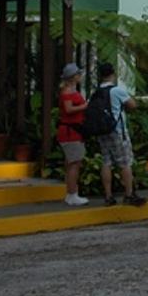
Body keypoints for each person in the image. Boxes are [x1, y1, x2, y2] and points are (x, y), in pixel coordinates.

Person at [93, 62, 145, 207]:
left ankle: (108, 196)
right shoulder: (116, 90)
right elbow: (133, 105)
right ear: (112, 74)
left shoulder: (97, 92)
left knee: (106, 162)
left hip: (102, 131)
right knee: (125, 162)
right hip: (117, 130)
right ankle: (129, 194)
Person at [57, 63, 89, 206]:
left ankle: (71, 192)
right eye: (78, 74)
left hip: (73, 130)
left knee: (73, 163)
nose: (80, 76)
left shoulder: (70, 90)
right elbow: (69, 109)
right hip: (71, 132)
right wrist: (85, 106)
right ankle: (72, 194)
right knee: (74, 163)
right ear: (73, 77)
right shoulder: (67, 91)